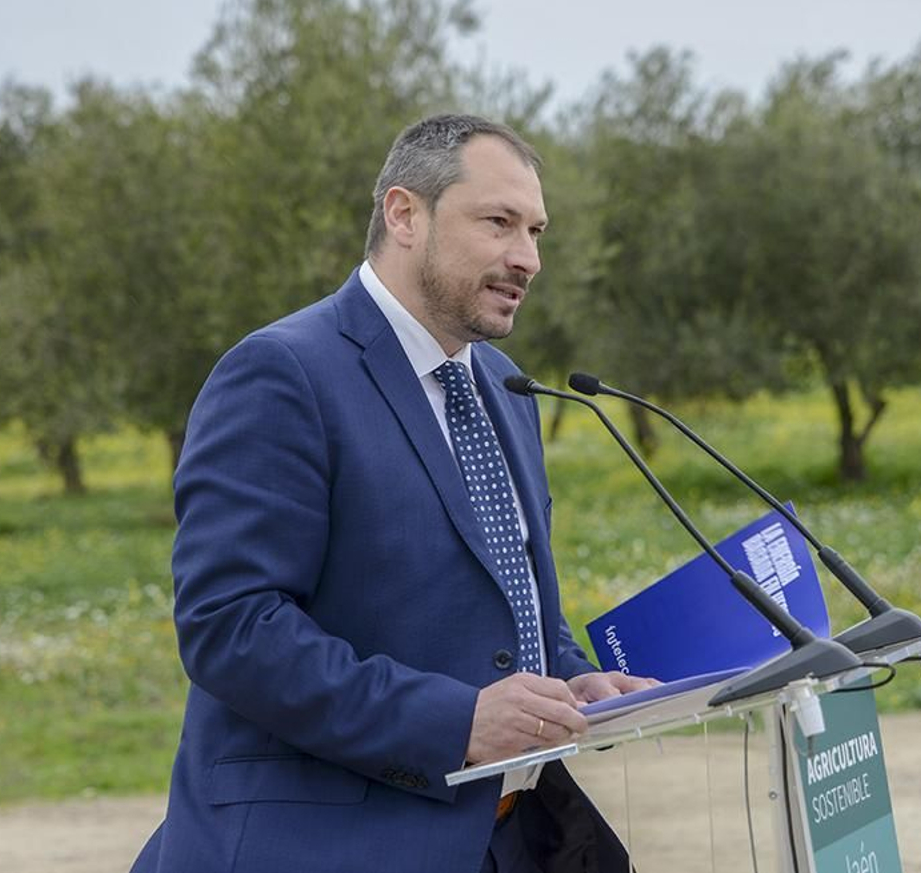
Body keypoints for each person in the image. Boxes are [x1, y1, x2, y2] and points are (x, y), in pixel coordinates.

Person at [131, 115, 655, 873]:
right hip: (331, 845)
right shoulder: (283, 374)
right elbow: (232, 626)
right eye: (499, 223)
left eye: (537, 231)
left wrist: (569, 674)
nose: (528, 258)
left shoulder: (508, 393)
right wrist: (456, 721)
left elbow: (508, 599)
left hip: (512, 837)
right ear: (405, 214)